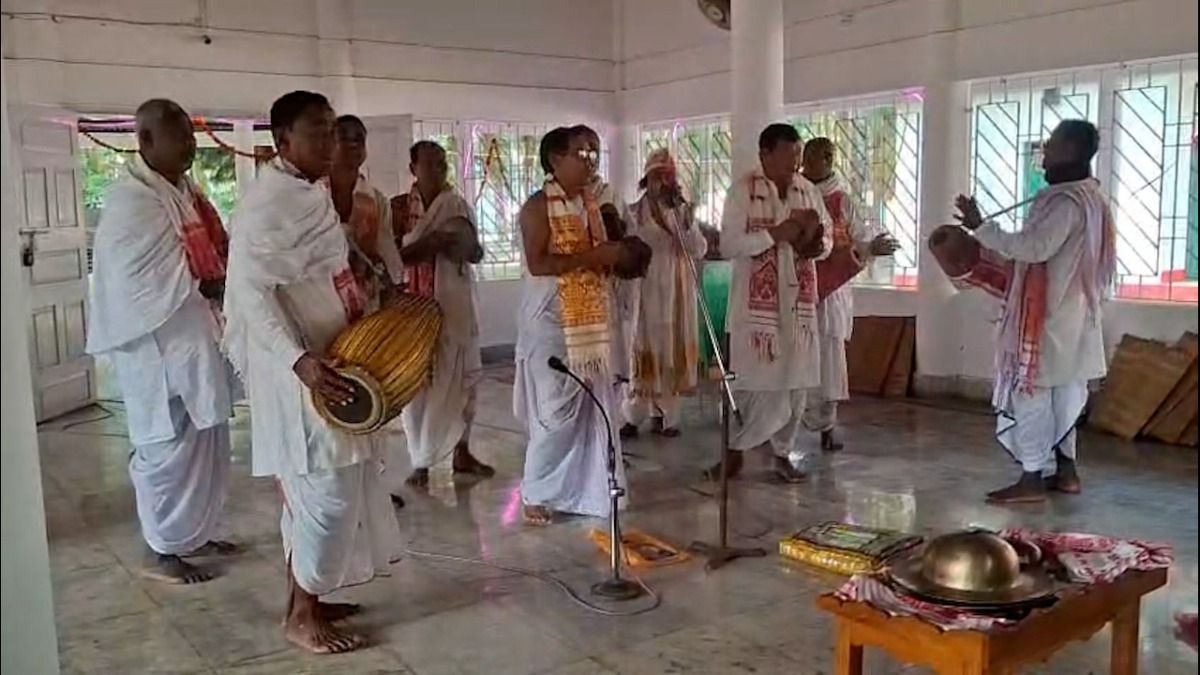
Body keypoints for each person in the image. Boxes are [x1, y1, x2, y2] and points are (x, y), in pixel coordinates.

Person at [224, 91, 400, 654]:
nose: (330, 142)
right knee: (326, 489)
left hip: (337, 352)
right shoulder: (265, 204)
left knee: (341, 483)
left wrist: (371, 279)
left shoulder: (309, 191)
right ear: (282, 142)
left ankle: (313, 596)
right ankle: (302, 614)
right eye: (317, 133)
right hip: (298, 368)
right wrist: (299, 361)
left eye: (332, 130)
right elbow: (252, 295)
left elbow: (329, 260)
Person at [86, 98, 237, 585]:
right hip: (155, 344)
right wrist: (207, 282)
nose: (191, 146)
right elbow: (134, 278)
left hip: (194, 335)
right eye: (182, 137)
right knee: (165, 444)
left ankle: (193, 532)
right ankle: (161, 549)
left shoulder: (184, 190)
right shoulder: (131, 200)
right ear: (146, 141)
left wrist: (214, 281)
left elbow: (211, 249)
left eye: (192, 137)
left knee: (206, 438)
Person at [955, 119, 1115, 504]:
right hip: (1073, 316)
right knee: (1063, 394)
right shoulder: (1088, 198)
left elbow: (1034, 248)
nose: (1045, 149)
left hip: (1049, 318)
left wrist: (982, 229)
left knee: (1032, 392)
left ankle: (1030, 477)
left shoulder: (1066, 204)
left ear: (1072, 152)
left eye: (1053, 144)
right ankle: (1066, 471)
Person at [514, 126, 632, 525]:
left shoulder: (593, 205)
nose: (591, 162)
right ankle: (536, 489)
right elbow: (538, 263)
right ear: (554, 160)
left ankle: (588, 489)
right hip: (550, 322)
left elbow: (604, 256)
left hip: (590, 322)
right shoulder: (536, 207)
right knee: (555, 412)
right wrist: (593, 257)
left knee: (592, 408)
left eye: (595, 154)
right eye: (581, 154)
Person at [717, 123, 832, 483]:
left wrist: (815, 243)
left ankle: (783, 454)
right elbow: (729, 245)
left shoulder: (808, 191)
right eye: (787, 154)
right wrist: (773, 235)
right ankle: (734, 452)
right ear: (765, 154)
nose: (794, 162)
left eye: (797, 154)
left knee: (796, 385)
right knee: (751, 384)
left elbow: (828, 242)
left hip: (799, 307)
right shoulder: (742, 191)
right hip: (755, 315)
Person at [392, 140, 491, 489]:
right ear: (413, 168)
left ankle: (461, 452)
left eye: (442, 164)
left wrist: (461, 243)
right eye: (429, 164)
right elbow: (392, 259)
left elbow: (476, 253)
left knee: (462, 381)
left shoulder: (458, 205)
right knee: (417, 389)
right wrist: (430, 242)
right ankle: (420, 462)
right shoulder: (399, 208)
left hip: (454, 307)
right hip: (413, 313)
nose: (436, 170)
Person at [799, 137, 898, 451]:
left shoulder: (843, 201)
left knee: (830, 360)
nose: (821, 159)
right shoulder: (795, 194)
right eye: (814, 155)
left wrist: (872, 247)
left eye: (826, 154)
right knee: (799, 355)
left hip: (834, 293)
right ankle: (784, 428)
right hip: (800, 289)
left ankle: (827, 428)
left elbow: (861, 238)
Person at [619, 148, 707, 438]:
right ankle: (634, 415)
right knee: (644, 351)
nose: (662, 183)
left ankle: (668, 417)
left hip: (677, 295)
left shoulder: (682, 212)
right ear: (646, 180)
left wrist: (688, 221)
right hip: (645, 292)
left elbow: (699, 249)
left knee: (671, 351)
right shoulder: (632, 213)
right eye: (657, 177)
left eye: (667, 177)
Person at [328, 115, 404, 310]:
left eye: (359, 138)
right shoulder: (313, 194)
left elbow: (386, 256)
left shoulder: (377, 201)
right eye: (344, 137)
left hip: (365, 304)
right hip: (324, 303)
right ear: (328, 144)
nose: (353, 143)